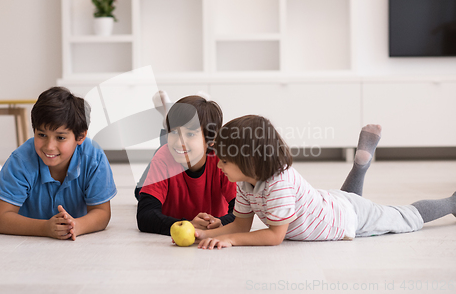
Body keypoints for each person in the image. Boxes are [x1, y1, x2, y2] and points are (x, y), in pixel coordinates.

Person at [195, 115, 456, 249]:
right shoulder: (245, 183)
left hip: (346, 219)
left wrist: (233, 241)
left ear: (249, 161)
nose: (218, 166)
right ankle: (360, 165)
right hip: (331, 205)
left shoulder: (277, 184)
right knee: (350, 201)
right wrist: (203, 235)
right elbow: (240, 224)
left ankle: (453, 202)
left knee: (405, 217)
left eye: (225, 161)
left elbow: (275, 236)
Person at [0, 87, 117, 240]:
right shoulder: (20, 161)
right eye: (42, 135)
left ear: (80, 136)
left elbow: (102, 212)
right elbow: (1, 219)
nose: (49, 146)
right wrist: (45, 228)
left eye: (60, 137)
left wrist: (77, 225)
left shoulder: (94, 158)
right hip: (23, 208)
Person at [136, 95, 237, 235]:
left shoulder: (223, 160)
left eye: (190, 134)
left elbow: (242, 213)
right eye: (173, 132)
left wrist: (221, 223)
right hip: (166, 159)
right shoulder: (163, 157)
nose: (179, 142)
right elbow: (144, 216)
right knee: (139, 192)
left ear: (211, 139)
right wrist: (188, 225)